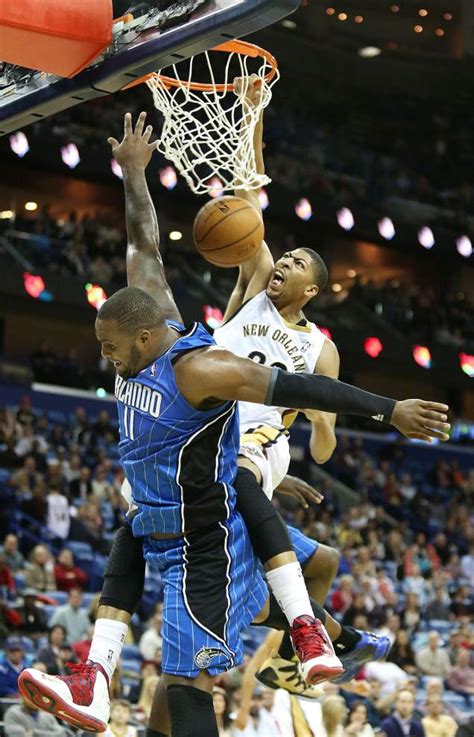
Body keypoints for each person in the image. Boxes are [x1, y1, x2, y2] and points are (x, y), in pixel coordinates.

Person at [19, 113, 450, 737]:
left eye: (113, 352)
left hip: (206, 537)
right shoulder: (154, 316)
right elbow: (144, 243)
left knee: (188, 683)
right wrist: (134, 171)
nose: (107, 363)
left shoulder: (201, 369)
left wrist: (389, 410)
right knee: (134, 542)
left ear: (143, 338)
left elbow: (299, 386)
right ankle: (99, 678)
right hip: (167, 514)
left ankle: (312, 635)